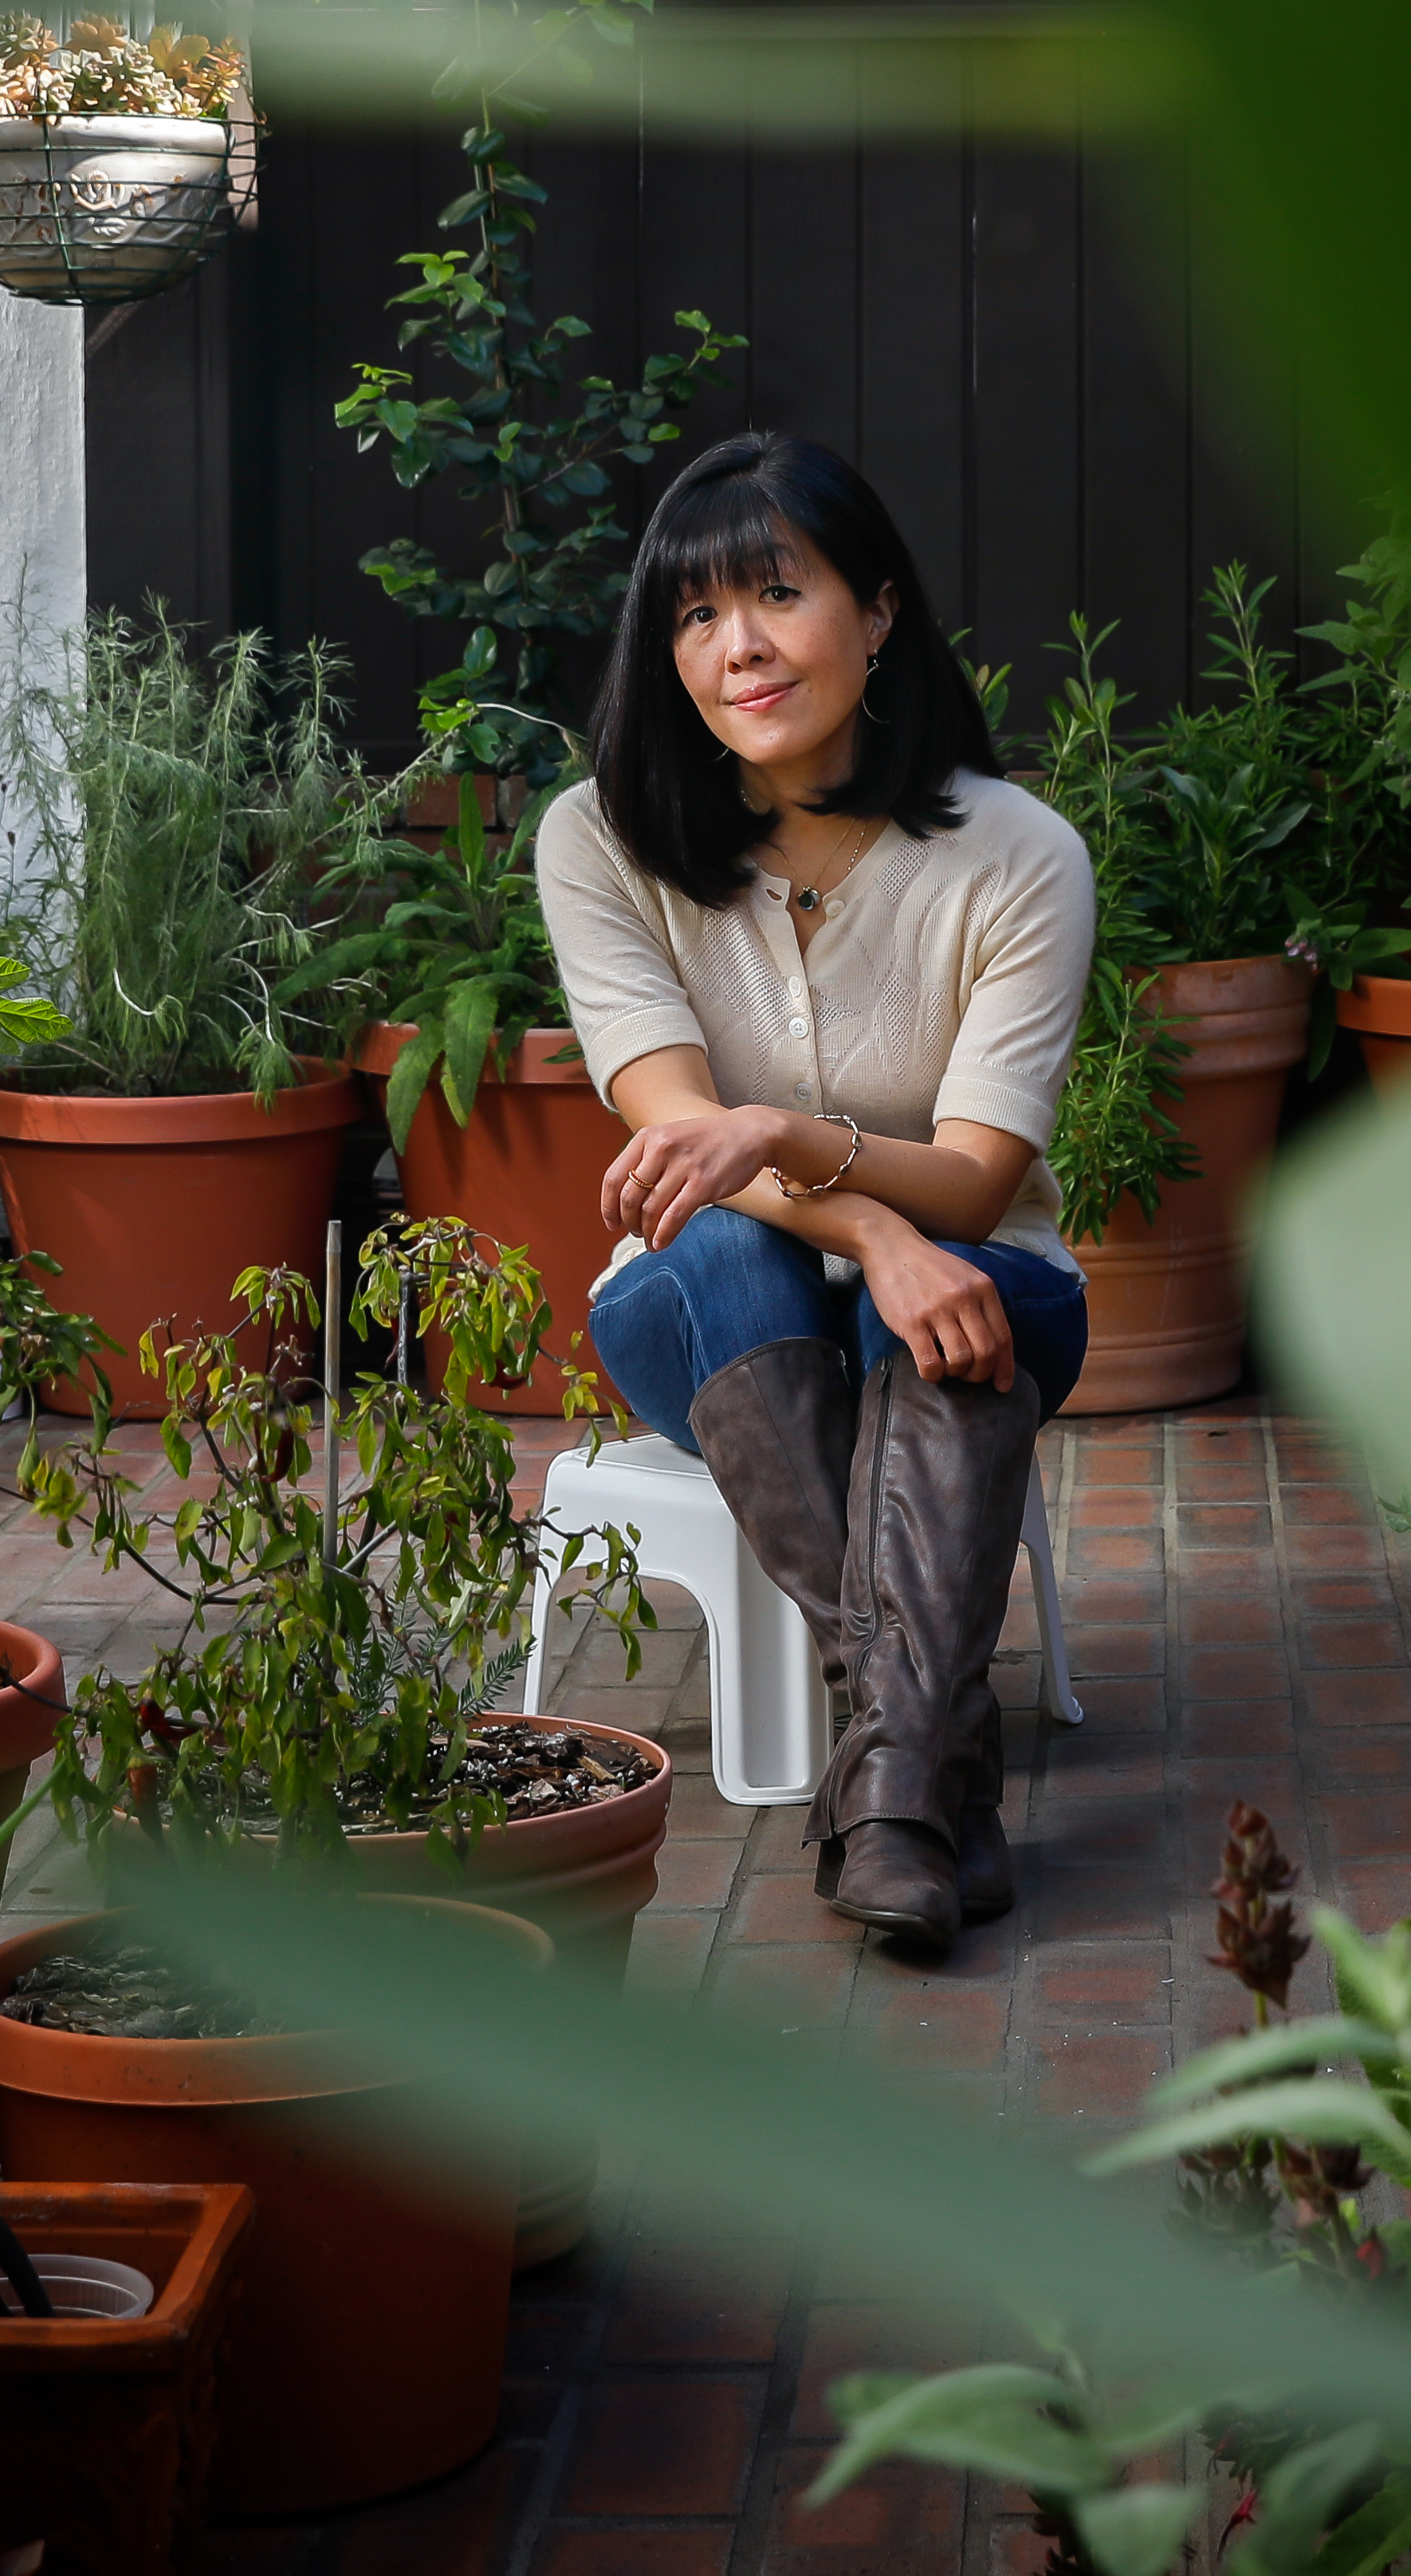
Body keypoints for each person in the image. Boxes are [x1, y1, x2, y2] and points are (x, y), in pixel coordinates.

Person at [533, 431, 1092, 1954]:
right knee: (734, 1252)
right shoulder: (599, 839)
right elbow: (674, 1135)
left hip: (987, 1280)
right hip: (710, 1303)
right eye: (698, 617)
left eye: (778, 594)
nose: (740, 647)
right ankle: (920, 1764)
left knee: (955, 1319)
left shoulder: (1019, 856)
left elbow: (980, 1183)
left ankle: (897, 1781)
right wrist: (871, 1228)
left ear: (883, 611)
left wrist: (792, 1136)